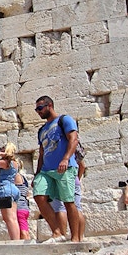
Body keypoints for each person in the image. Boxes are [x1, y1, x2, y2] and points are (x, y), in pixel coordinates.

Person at [32, 96, 84, 242]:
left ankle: (75, 238)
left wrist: (66, 158)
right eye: (36, 109)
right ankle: (57, 232)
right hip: (46, 170)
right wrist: (37, 174)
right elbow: (42, 152)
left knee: (68, 201)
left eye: (40, 108)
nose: (38, 112)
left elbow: (73, 139)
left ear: (50, 106)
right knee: (39, 196)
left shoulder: (65, 120)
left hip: (64, 167)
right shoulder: (42, 129)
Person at [0, 144, 22, 241]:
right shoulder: (15, 163)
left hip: (4, 190)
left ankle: (15, 241)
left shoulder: (4, 163)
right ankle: (16, 240)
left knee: (8, 219)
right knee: (13, 218)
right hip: (13, 189)